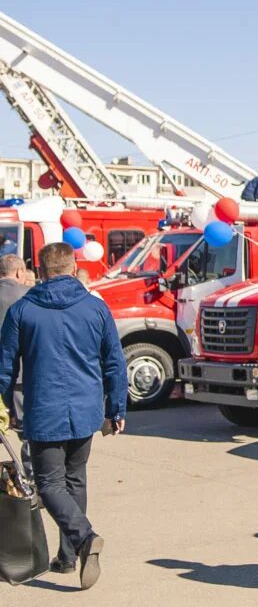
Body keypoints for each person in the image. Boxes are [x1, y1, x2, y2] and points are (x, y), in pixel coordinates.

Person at [0, 242, 128, 590]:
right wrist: (116, 408)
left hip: (44, 410)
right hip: (86, 410)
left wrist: (5, 407)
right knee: (75, 480)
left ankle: (84, 539)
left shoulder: (23, 310)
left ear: (39, 272)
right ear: (74, 269)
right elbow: (115, 362)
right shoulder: (95, 308)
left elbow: (6, 367)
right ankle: (68, 557)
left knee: (50, 483)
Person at [0, 255, 31, 478]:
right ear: (20, 272)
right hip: (19, 373)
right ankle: (32, 481)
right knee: (28, 432)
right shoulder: (27, 297)